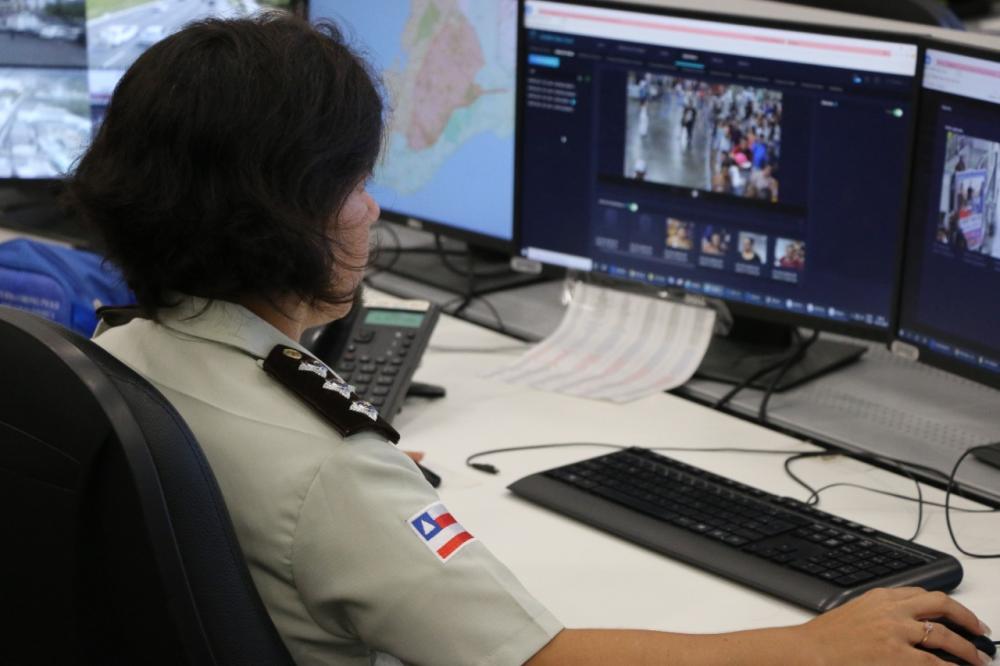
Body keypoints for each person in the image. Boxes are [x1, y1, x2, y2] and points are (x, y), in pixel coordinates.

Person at [67, 14, 992, 666]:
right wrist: (817, 649)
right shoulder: (327, 466)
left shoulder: (113, 352)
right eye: (354, 182)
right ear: (287, 217)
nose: (375, 206)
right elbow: (543, 659)